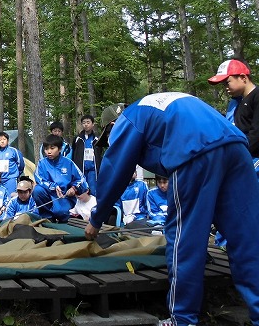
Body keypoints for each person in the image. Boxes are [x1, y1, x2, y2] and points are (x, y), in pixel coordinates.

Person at [84, 93, 259, 326]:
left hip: (194, 153)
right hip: (236, 147)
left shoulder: (128, 118)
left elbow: (116, 169)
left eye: (109, 138)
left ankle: (182, 319)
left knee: (184, 239)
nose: (111, 142)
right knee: (247, 238)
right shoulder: (156, 106)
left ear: (112, 126)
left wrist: (96, 219)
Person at [208, 58, 259, 174]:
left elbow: (256, 134)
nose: (225, 88)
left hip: (254, 160)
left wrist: (238, 154)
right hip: (243, 158)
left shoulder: (256, 96)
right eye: (223, 84)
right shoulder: (237, 102)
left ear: (243, 77)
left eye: (227, 82)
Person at [33, 134, 87, 222]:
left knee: (61, 212)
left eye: (52, 148)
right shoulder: (42, 163)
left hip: (64, 197)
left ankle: (64, 217)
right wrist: (53, 186)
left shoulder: (68, 163)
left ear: (60, 149)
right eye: (46, 149)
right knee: (37, 190)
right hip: (49, 195)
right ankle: (48, 217)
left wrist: (74, 188)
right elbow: (39, 178)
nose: (48, 152)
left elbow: (81, 179)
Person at [72, 114, 100, 195]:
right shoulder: (78, 139)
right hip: (81, 170)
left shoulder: (97, 138)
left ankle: (94, 207)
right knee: (82, 191)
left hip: (93, 170)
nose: (86, 124)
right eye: (84, 123)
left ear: (93, 124)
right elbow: (74, 153)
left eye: (88, 122)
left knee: (93, 191)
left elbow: (100, 153)